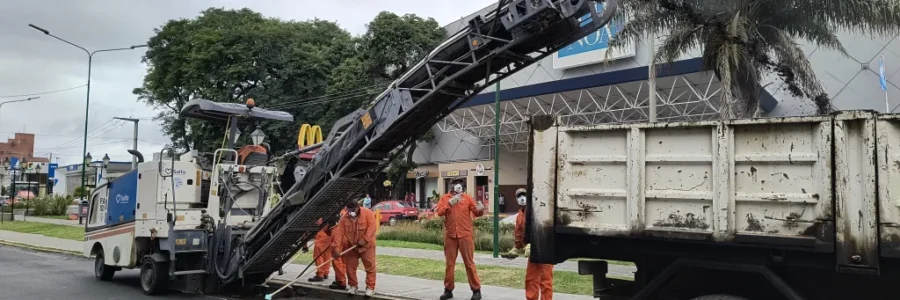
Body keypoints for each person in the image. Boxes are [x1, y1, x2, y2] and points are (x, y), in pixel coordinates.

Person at [436, 181, 485, 300]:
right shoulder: (445, 198)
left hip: (465, 235)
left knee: (469, 263)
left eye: (461, 185)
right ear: (452, 187)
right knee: (449, 264)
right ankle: (448, 290)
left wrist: (481, 209)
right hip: (450, 235)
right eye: (456, 184)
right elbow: (439, 212)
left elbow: (476, 213)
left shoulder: (467, 198)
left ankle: (476, 290)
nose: (459, 187)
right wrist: (449, 204)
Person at [331, 199, 378, 296]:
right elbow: (339, 234)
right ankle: (353, 285)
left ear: (357, 207)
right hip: (352, 247)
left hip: (367, 246)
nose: (350, 212)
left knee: (370, 267)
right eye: (348, 210)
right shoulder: (344, 218)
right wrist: (336, 248)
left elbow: (372, 228)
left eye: (352, 210)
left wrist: (364, 240)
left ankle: (370, 287)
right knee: (350, 268)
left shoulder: (367, 213)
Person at [513, 188, 553, 300]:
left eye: (524, 195)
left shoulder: (538, 211)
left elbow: (544, 229)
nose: (522, 198)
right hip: (532, 253)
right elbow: (519, 234)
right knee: (531, 279)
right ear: (516, 199)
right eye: (519, 196)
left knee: (545, 280)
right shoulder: (520, 215)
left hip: (545, 250)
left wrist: (534, 243)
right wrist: (516, 249)